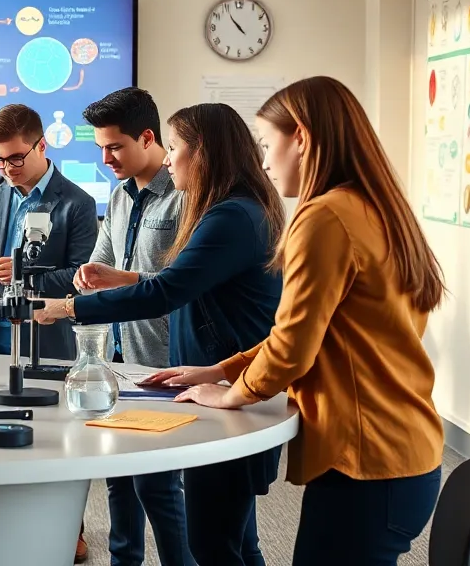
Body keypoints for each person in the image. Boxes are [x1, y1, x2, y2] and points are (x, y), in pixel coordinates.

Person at [149, 77, 445, 565]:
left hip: (366, 460)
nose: (264, 161)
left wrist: (233, 394)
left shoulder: (325, 217)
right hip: (403, 451)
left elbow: (292, 347)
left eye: (268, 144)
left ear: (301, 138)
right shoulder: (376, 207)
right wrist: (222, 369)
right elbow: (317, 332)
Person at [35, 103, 284, 566]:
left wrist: (66, 308)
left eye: (174, 147)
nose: (169, 159)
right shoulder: (230, 210)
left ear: (203, 152)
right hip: (217, 377)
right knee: (231, 540)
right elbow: (182, 282)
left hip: (231, 389)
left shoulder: (231, 216)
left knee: (215, 543)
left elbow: (168, 291)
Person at [79, 89, 191, 566]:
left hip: (161, 360)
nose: (106, 159)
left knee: (158, 485)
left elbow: (180, 282)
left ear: (148, 138)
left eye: (115, 148)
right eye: (100, 148)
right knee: (119, 479)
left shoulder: (184, 195)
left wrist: (118, 279)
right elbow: (101, 263)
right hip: (116, 357)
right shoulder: (118, 195)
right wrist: (88, 276)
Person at [0, 103, 99, 361]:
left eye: (16, 158)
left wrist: (22, 278)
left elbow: (80, 276)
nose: (7, 168)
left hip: (42, 343)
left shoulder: (78, 203)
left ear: (41, 146)